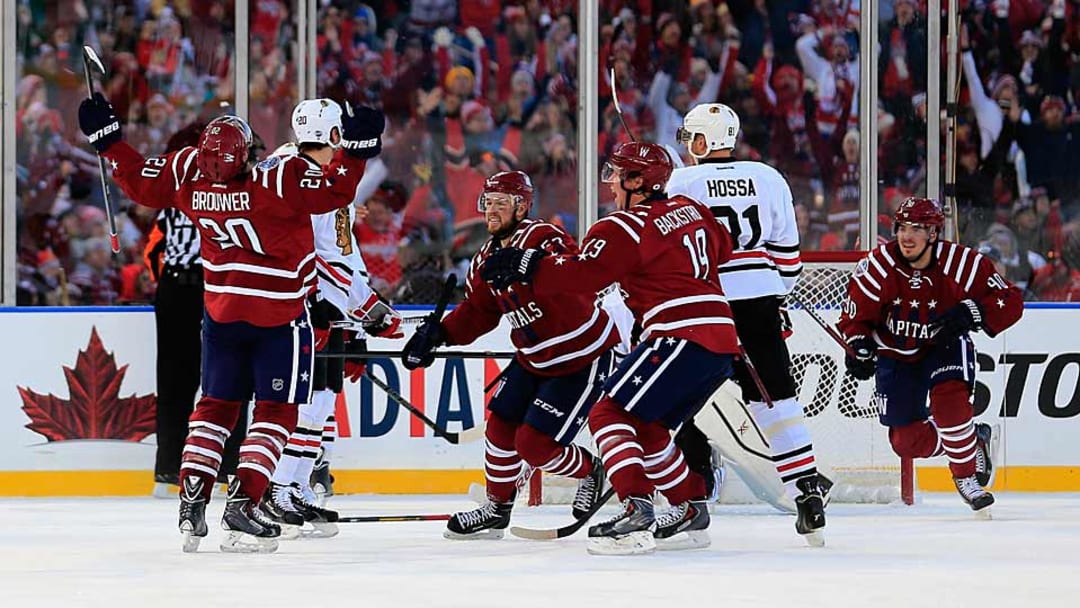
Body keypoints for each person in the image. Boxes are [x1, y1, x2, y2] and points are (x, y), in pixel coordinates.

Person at [78, 93, 384, 552]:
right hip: (279, 315)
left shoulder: (188, 173)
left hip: (221, 313)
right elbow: (336, 191)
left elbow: (140, 183)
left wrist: (108, 141)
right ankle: (245, 501)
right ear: (247, 157)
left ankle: (193, 499)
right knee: (276, 414)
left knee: (215, 408)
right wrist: (359, 151)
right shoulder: (281, 177)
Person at [479, 142, 740, 555]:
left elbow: (585, 274)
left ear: (637, 181)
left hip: (680, 333)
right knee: (650, 429)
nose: (612, 183)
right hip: (723, 338)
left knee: (609, 412)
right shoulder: (694, 210)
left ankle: (636, 508)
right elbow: (726, 246)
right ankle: (690, 505)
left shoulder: (623, 226)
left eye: (618, 174)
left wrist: (528, 265)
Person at [401, 170, 619, 540]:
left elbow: (574, 270)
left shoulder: (542, 236)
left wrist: (530, 264)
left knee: (533, 446)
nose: (492, 211)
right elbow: (479, 313)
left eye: (502, 203)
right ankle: (497, 508)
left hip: (581, 357)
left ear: (522, 206)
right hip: (532, 359)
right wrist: (438, 335)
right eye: (488, 202)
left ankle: (591, 471)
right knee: (500, 429)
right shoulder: (486, 256)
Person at [666, 102, 828, 545]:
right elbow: (789, 258)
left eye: (691, 138)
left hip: (705, 306)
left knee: (678, 395)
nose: (687, 147)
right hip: (758, 302)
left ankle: (692, 488)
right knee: (775, 399)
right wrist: (774, 298)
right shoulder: (768, 177)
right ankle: (806, 491)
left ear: (703, 141)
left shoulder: (680, 182)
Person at [261, 100, 404, 537]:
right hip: (302, 303)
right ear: (336, 136)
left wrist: (358, 313)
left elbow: (333, 249)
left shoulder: (284, 167)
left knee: (319, 398)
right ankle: (277, 486)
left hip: (304, 300)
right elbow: (331, 256)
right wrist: (368, 309)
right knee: (302, 401)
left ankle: (296, 484)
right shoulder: (316, 181)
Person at [839, 197, 1023, 513]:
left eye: (918, 229)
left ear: (934, 233)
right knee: (905, 442)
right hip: (896, 356)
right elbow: (855, 320)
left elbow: (1010, 300)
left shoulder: (963, 264)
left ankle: (966, 478)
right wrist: (859, 346)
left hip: (944, 348)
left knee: (950, 409)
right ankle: (972, 441)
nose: (907, 236)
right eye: (902, 227)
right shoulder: (877, 267)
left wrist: (974, 312)